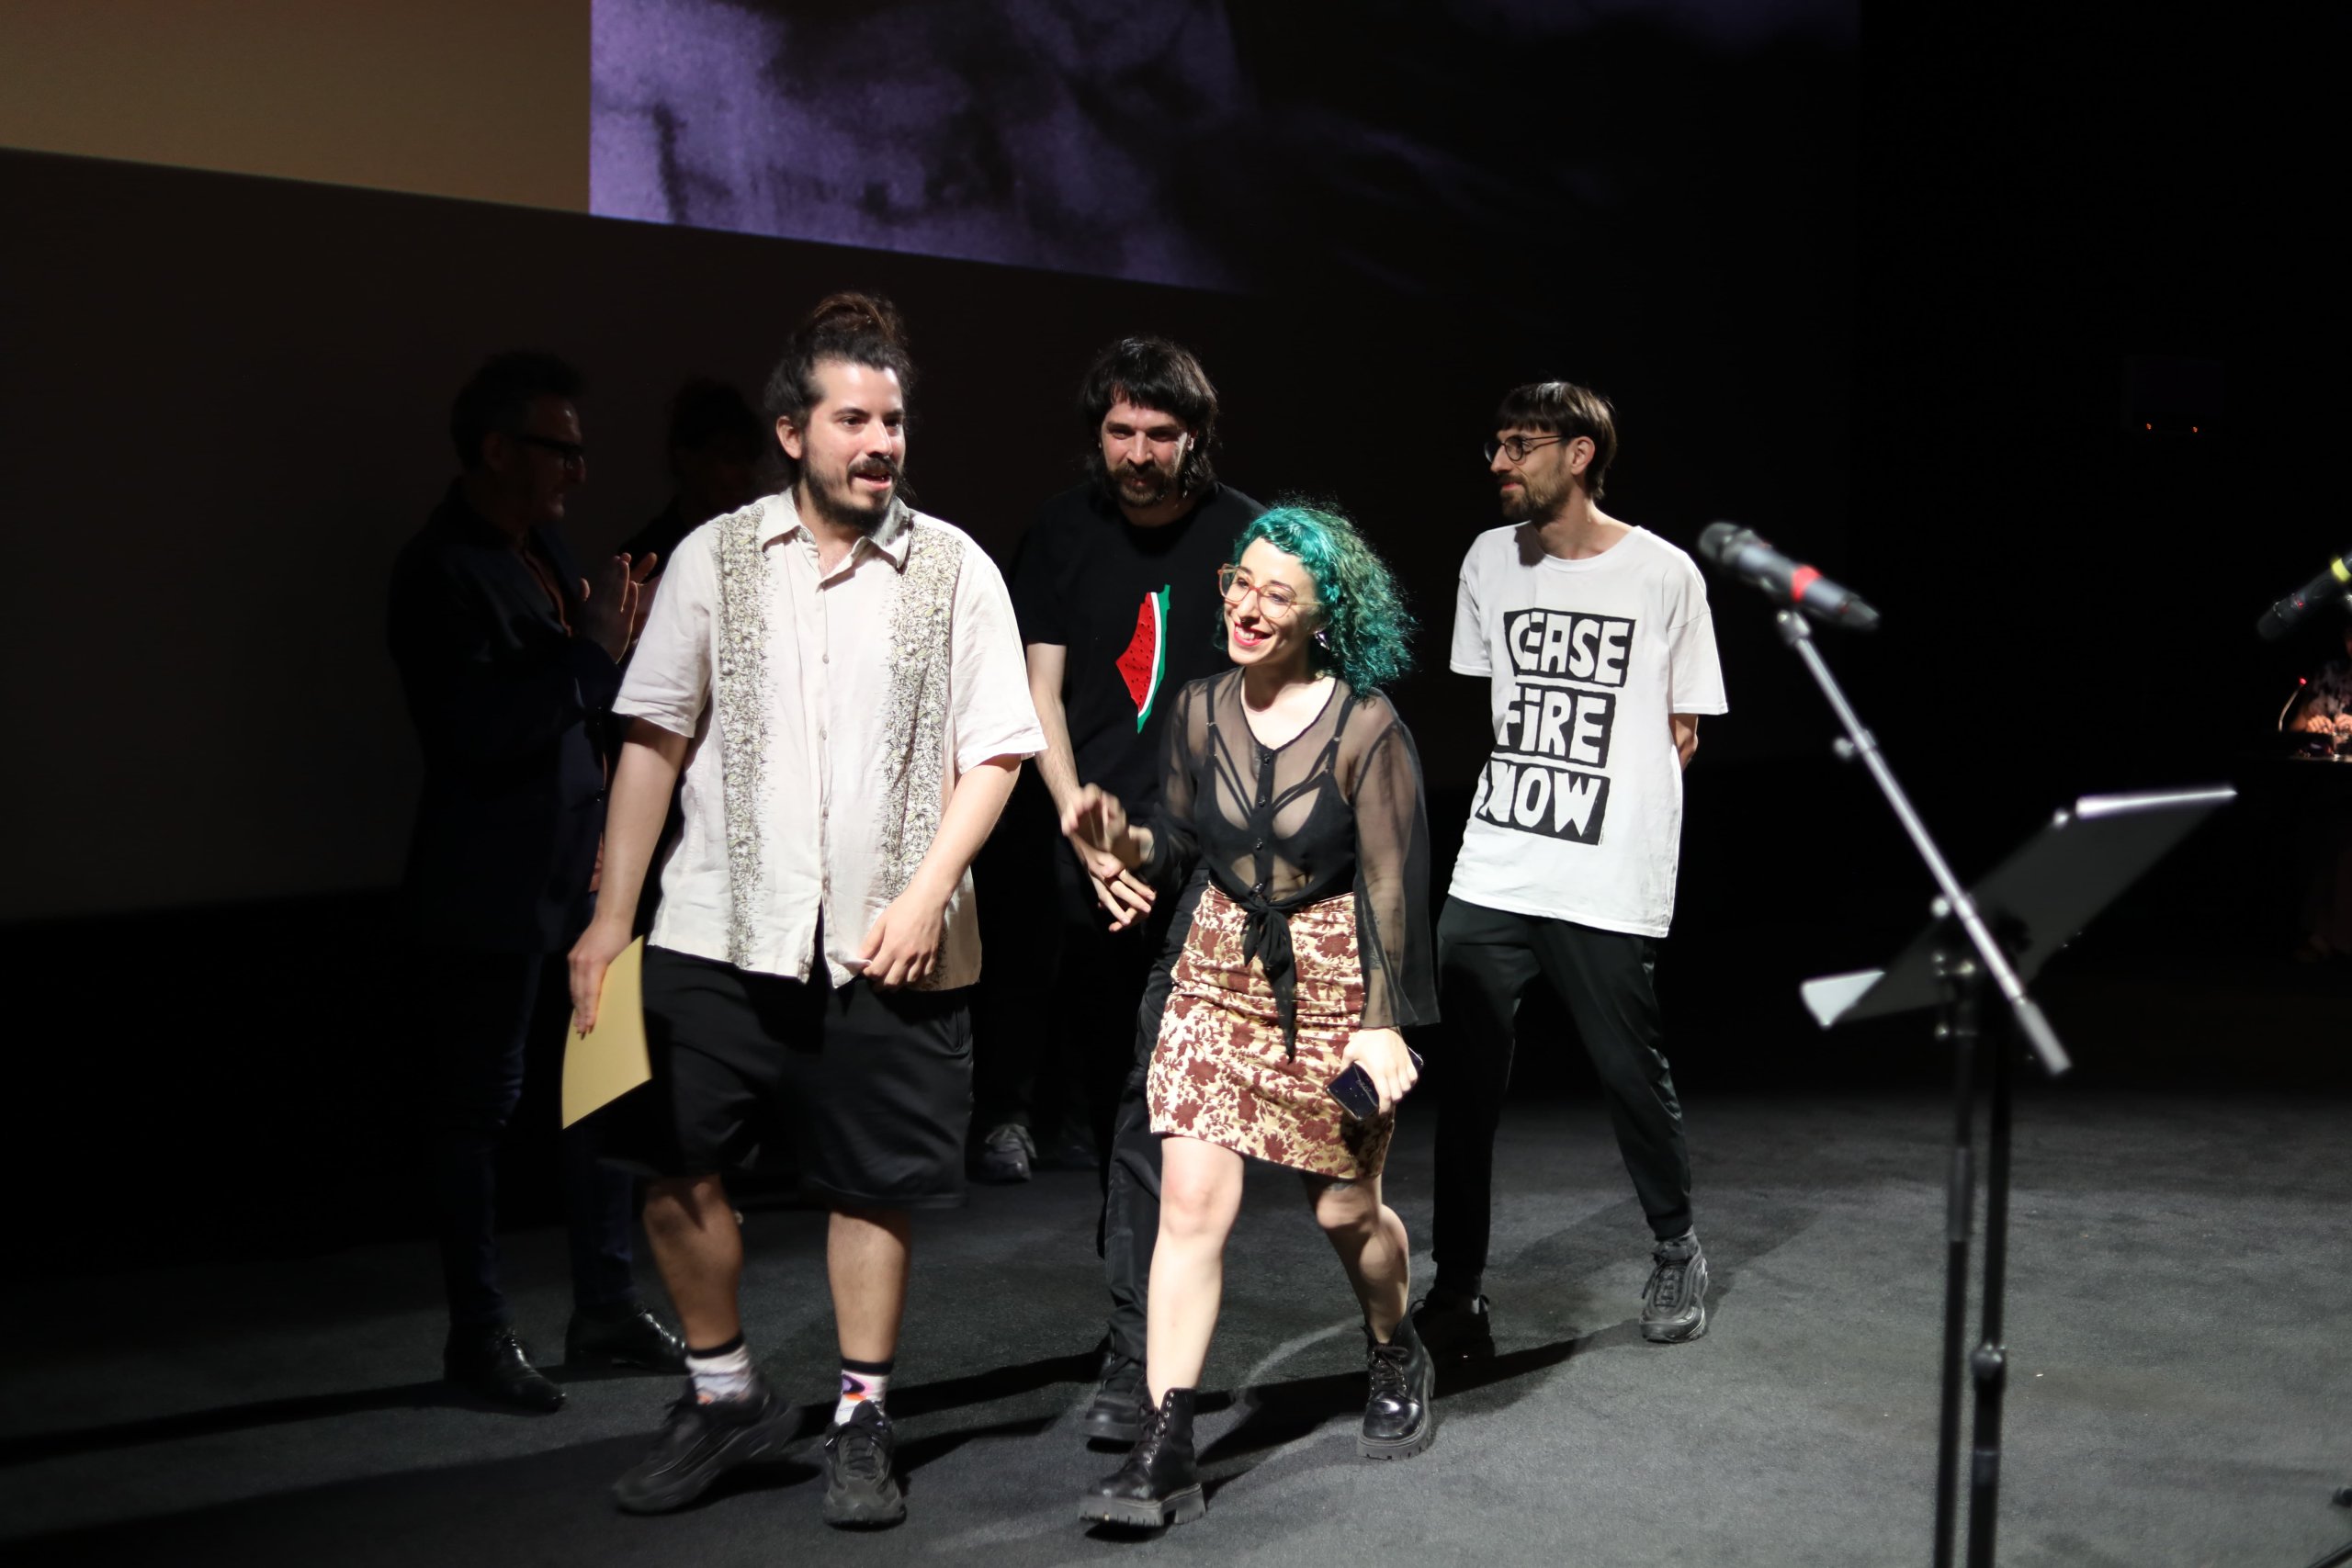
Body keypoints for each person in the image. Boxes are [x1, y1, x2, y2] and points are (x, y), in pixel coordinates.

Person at [567, 294, 1044, 1529]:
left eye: (894, 421)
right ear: (792, 432)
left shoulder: (955, 568)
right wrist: (610, 918)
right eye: (853, 420)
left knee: (865, 1183)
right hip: (715, 925)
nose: (880, 442)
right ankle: (724, 1392)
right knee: (668, 1161)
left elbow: (997, 751)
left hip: (886, 940)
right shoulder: (715, 558)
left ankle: (861, 1414)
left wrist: (927, 894)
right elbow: (653, 738)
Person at [1065, 504, 1439, 1529]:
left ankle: (1394, 1345)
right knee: (1189, 1201)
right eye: (1241, 582)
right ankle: (1166, 1443)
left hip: (1334, 986)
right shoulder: (1196, 707)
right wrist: (1126, 844)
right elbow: (1181, 843)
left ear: (1323, 615)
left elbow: (1393, 887)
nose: (1249, 605)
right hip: (1217, 967)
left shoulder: (1366, 725)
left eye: (1279, 593)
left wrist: (1384, 1022)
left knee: (1344, 1211)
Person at [977, 337, 1262, 1442]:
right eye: (1119, 431)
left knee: (1161, 1093)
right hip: (1090, 848)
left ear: (1196, 436)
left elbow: (1275, 697)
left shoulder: (1248, 535)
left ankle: (1140, 1350)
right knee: (1113, 1094)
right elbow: (1037, 691)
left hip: (1207, 854)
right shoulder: (1060, 531)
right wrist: (1076, 822)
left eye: (1160, 433)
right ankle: (1137, 1322)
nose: (1137, 453)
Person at [387, 351, 683, 1412]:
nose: (579, 470)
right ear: (497, 450)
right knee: (482, 1111)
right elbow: (480, 731)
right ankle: (478, 1335)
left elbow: (575, 716)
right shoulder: (440, 571)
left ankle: (605, 1305)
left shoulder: (544, 551)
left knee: (603, 1091)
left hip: (582, 881)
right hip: (490, 890)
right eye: (560, 448)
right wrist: (596, 650)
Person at [1416, 380, 1728, 1361]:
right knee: (1466, 1083)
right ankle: (1457, 1288)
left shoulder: (1665, 574)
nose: (1499, 462)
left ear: (1580, 452)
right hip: (1497, 862)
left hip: (1605, 868)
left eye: (1521, 444)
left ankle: (1675, 1246)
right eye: (1496, 443)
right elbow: (1494, 700)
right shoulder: (1487, 560)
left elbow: (1683, 730)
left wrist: (1618, 812)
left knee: (1630, 1072)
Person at [621, 377, 766, 573]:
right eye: (731, 459)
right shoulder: (646, 559)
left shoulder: (760, 549)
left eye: (751, 459)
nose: (748, 475)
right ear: (687, 460)